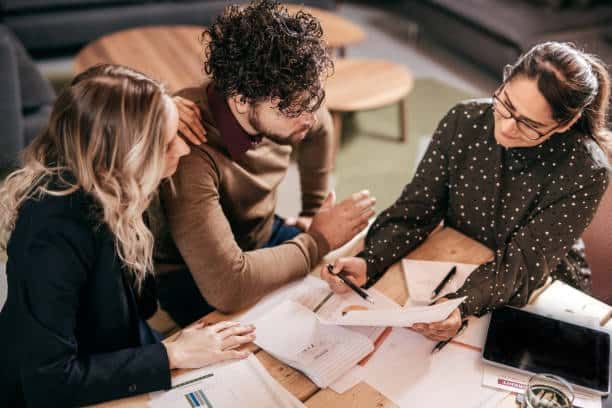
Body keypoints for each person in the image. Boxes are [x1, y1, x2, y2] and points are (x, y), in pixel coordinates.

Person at [0, 64, 256, 407]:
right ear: (124, 157)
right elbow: (49, 381)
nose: (182, 149)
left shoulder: (118, 189)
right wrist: (170, 355)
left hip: (119, 347)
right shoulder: (52, 239)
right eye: (166, 143)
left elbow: (139, 305)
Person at [321, 42, 610, 341]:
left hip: (538, 286)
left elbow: (523, 266)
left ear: (567, 123)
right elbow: (416, 209)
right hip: (457, 261)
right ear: (506, 79)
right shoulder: (464, 121)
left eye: (529, 124)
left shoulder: (586, 170)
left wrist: (463, 303)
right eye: (507, 104)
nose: (508, 127)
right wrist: (370, 260)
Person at [153, 0, 375, 325]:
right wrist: (318, 239)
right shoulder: (191, 150)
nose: (308, 118)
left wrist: (312, 213)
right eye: (294, 110)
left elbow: (321, 125)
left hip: (259, 236)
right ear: (242, 100)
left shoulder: (286, 103)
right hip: (197, 275)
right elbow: (228, 287)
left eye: (312, 100)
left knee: (344, 287)